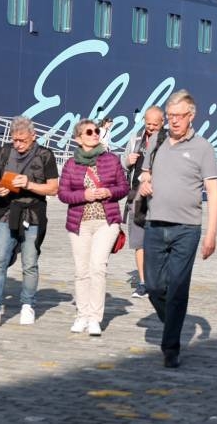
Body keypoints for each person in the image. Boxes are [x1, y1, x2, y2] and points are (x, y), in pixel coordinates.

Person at [138, 90, 217, 368]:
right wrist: (144, 183)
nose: (173, 121)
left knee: (176, 288)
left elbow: (213, 190)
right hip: (154, 224)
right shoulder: (157, 142)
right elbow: (144, 174)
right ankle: (173, 320)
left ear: (191, 116)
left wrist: (211, 233)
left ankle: (170, 346)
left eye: (179, 116)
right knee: (152, 285)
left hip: (187, 228)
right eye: (170, 116)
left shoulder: (203, 148)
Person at [0, 117, 59, 327]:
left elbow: (54, 188)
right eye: (15, 140)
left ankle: (28, 304)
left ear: (33, 137)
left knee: (29, 262)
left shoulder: (45, 155)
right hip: (7, 211)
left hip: (33, 214)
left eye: (23, 140)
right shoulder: (5, 151)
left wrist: (29, 184)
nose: (18, 144)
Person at [58, 119, 129, 336]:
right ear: (78, 138)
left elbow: (123, 187)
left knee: (97, 267)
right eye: (89, 132)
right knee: (82, 271)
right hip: (80, 223)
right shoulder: (71, 164)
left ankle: (95, 318)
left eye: (96, 131)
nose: (95, 134)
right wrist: (84, 195)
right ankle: (82, 315)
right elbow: (63, 193)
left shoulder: (111, 160)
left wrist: (109, 192)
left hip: (106, 222)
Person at [122, 106, 166, 298]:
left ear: (162, 123)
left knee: (160, 241)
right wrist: (126, 161)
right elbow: (122, 165)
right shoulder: (136, 139)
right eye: (148, 123)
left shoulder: (169, 141)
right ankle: (142, 282)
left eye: (155, 125)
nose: (151, 127)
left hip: (161, 197)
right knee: (139, 241)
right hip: (137, 197)